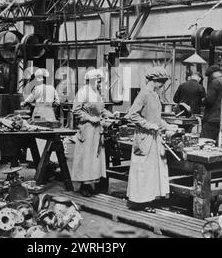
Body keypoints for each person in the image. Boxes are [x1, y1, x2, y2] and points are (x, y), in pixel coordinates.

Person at [125, 67, 178, 211]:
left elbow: (156, 117)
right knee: (143, 171)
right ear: (155, 80)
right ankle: (140, 201)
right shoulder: (144, 94)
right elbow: (132, 115)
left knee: (151, 171)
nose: (162, 86)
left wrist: (168, 126)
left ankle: (149, 199)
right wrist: (149, 126)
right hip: (144, 137)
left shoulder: (154, 95)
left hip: (154, 137)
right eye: (161, 83)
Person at [71, 69, 114, 197]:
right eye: (98, 80)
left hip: (97, 129)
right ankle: (85, 185)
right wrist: (90, 118)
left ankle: (94, 183)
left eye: (100, 80)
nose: (99, 83)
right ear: (91, 80)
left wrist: (112, 115)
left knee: (96, 158)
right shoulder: (83, 92)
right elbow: (76, 110)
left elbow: (101, 110)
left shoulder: (97, 93)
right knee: (86, 158)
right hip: (87, 128)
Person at [200, 65, 222, 141]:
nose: (210, 78)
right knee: (220, 142)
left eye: (210, 76)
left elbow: (210, 100)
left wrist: (203, 101)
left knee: (205, 141)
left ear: (213, 74)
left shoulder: (215, 82)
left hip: (213, 118)